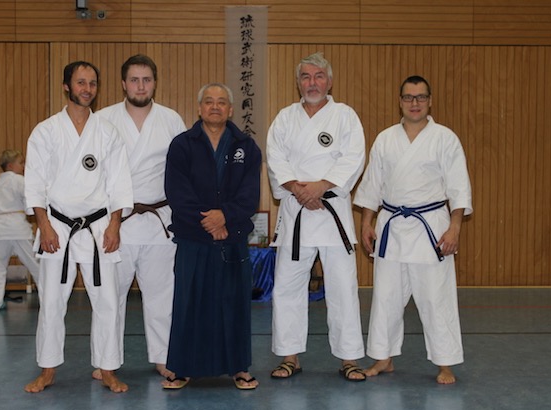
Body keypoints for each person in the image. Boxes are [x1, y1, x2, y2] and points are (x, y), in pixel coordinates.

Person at [353, 75, 473, 384]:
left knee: (436, 297)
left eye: (420, 97)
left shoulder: (445, 138)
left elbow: (458, 187)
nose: (414, 103)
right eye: (408, 97)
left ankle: (445, 363)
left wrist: (455, 228)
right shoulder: (385, 139)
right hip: (391, 226)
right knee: (386, 296)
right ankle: (383, 357)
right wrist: (366, 222)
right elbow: (372, 185)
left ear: (430, 101)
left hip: (431, 227)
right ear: (400, 102)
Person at [23, 61, 134, 393]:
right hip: (57, 225)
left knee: (108, 301)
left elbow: (119, 183)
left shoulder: (107, 132)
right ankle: (47, 369)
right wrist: (44, 225)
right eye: (81, 82)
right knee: (52, 301)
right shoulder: (46, 131)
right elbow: (35, 183)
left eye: (92, 83)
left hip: (98, 227)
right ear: (66, 86)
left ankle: (108, 368)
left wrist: (114, 225)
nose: (87, 89)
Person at [266, 52, 367, 381]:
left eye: (319, 76)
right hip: (296, 213)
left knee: (343, 288)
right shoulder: (285, 118)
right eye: (306, 77)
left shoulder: (345, 116)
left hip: (332, 212)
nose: (312, 83)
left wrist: (321, 187)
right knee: (287, 287)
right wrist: (298, 190)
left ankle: (349, 358)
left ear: (330, 81)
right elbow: (275, 159)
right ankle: (289, 357)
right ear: (298, 82)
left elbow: (353, 158)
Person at [162, 83, 261, 390]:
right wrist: (209, 221)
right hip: (193, 237)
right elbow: (177, 192)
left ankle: (239, 367)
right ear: (199, 108)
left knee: (234, 304)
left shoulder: (247, 146)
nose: (215, 106)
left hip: (233, 237)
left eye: (221, 102)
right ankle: (182, 368)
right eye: (208, 101)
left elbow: (250, 195)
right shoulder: (182, 145)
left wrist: (225, 216)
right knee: (189, 303)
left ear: (230, 110)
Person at [96, 54, 187, 384]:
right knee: (110, 296)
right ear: (123, 84)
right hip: (115, 222)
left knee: (162, 294)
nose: (140, 86)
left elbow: (184, 169)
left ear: (154, 83)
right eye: (134, 80)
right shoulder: (103, 119)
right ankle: (106, 360)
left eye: (146, 80)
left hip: (159, 220)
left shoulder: (171, 119)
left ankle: (163, 357)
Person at [0, 150, 40, 312]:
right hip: (17, 228)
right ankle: (48, 300)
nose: (23, 166)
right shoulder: (20, 181)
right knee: (35, 265)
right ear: (10, 165)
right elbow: (30, 204)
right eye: (21, 163)